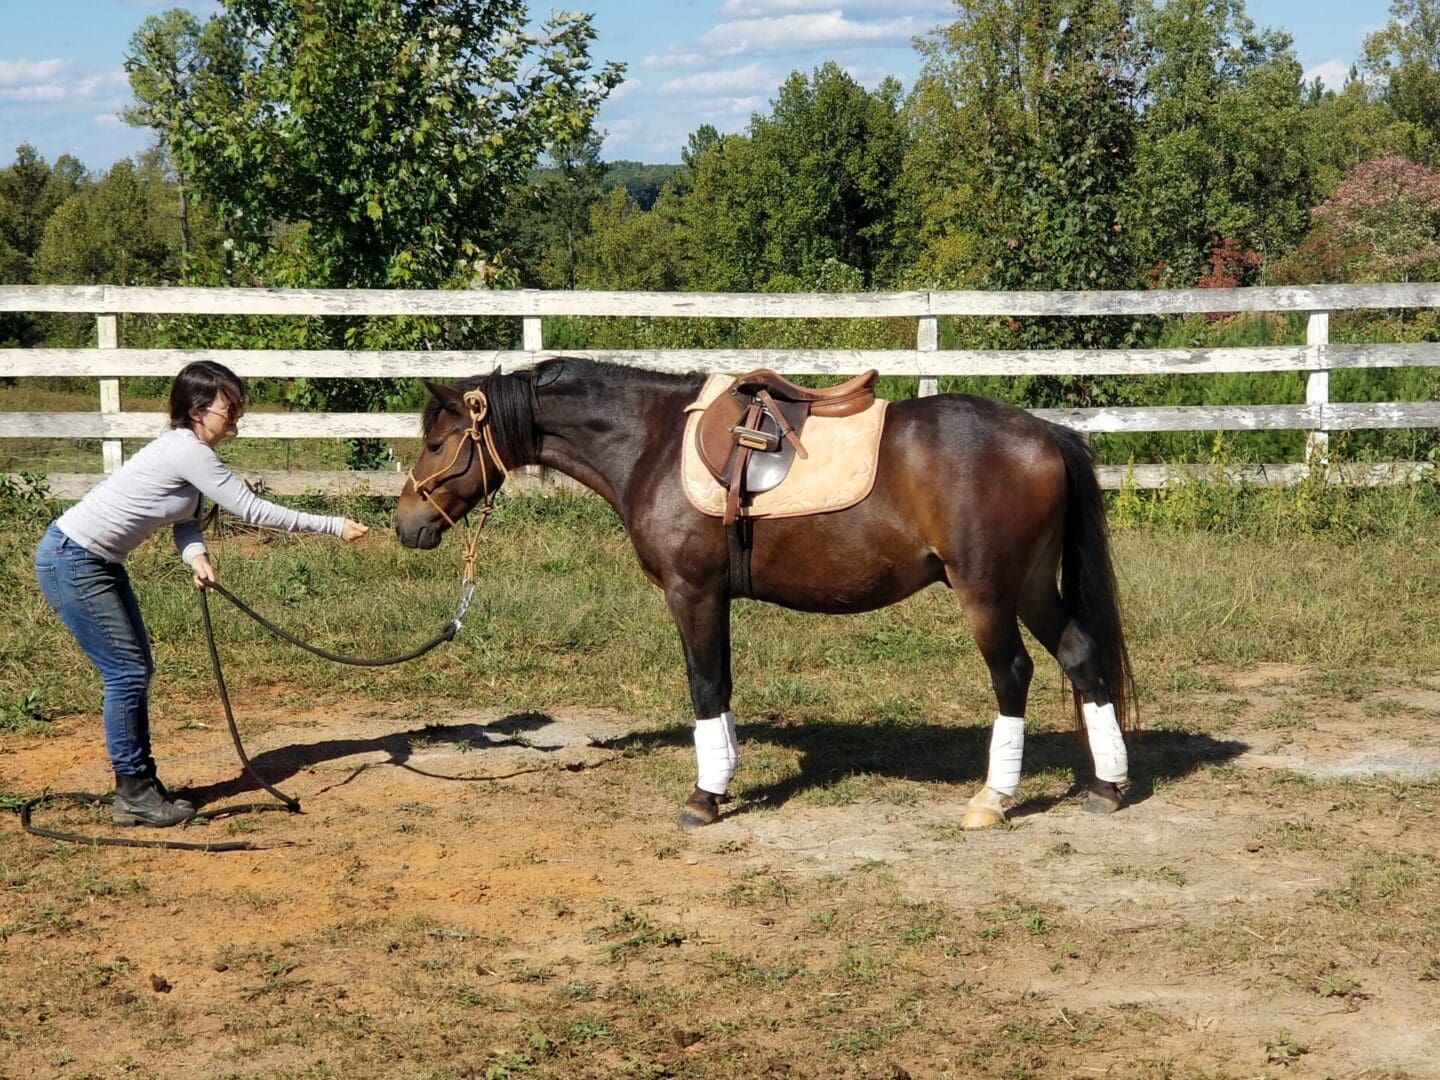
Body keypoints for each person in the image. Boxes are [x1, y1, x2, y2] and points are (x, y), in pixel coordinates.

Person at [33, 360, 369, 827]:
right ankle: (134, 792)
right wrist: (330, 525)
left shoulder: (187, 453)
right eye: (228, 406)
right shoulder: (187, 450)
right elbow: (250, 508)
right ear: (197, 410)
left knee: (133, 670)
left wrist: (196, 557)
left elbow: (183, 519)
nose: (236, 415)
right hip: (73, 560)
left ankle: (139, 787)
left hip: (93, 560)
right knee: (126, 673)